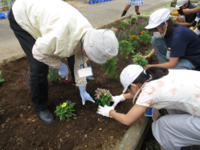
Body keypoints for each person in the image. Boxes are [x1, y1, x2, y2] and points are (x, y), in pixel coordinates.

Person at [9, 0, 119, 124]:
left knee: (74, 51)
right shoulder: (60, 37)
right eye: (91, 55)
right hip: (23, 15)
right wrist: (60, 66)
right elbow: (37, 51)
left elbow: (80, 59)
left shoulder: (90, 35)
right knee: (39, 66)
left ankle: (78, 80)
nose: (90, 57)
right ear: (86, 47)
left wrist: (82, 87)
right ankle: (40, 107)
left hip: (47, 14)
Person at [97, 64, 200, 150]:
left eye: (128, 90)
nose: (129, 92)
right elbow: (139, 92)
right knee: (170, 103)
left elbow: (127, 120)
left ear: (133, 86)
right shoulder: (159, 74)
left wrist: (110, 112)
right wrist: (121, 97)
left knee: (162, 125)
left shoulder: (149, 92)